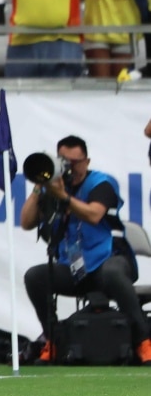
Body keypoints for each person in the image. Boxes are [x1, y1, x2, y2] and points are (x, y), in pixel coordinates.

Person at [21, 135, 151, 365]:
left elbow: (94, 214)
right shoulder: (52, 188)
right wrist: (40, 186)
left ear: (87, 161)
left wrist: (64, 197)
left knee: (112, 272)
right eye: (64, 161)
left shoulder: (101, 183)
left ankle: (143, 341)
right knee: (35, 277)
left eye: (76, 162)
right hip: (75, 269)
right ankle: (53, 339)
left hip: (109, 260)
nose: (71, 167)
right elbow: (26, 222)